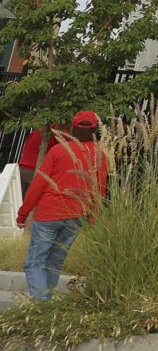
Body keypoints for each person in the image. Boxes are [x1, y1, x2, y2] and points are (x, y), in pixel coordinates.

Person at [17, 111, 110, 301]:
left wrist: (23, 214)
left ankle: (43, 305)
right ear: (95, 130)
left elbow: (38, 184)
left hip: (49, 213)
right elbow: (100, 188)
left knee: (35, 262)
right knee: (54, 262)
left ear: (73, 128)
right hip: (76, 214)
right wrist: (93, 215)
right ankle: (47, 302)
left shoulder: (59, 150)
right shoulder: (100, 155)